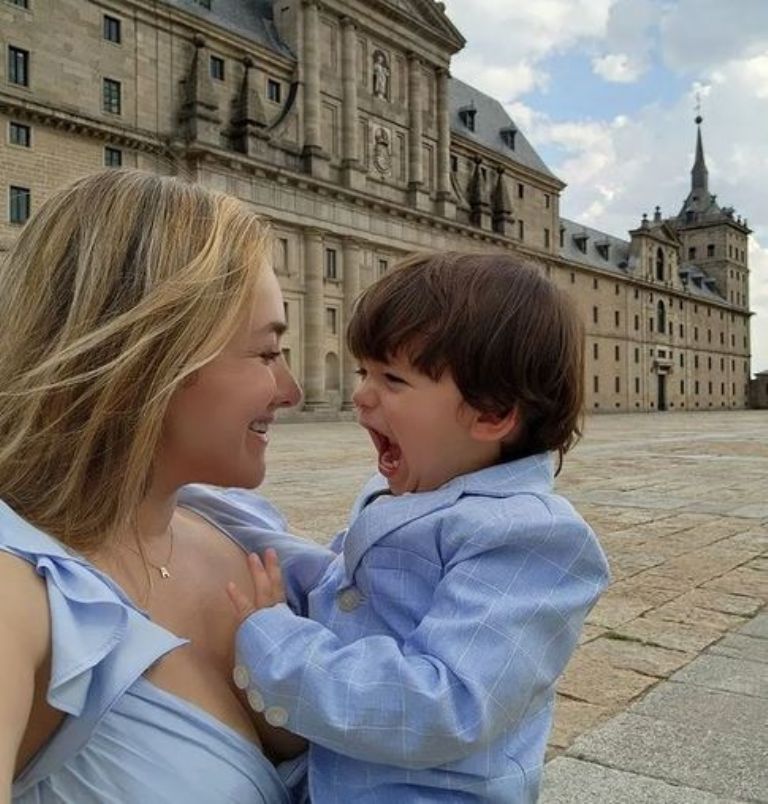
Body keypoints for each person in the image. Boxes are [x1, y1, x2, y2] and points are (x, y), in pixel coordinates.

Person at [213, 252, 611, 802]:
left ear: (491, 414)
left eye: (392, 380)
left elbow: (446, 706)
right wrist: (223, 517)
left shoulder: (531, 538)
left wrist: (279, 644)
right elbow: (339, 583)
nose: (360, 395)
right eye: (362, 372)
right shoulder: (409, 491)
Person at [0, 169, 333, 802]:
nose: (290, 391)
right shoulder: (15, 593)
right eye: (266, 353)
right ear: (151, 357)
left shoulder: (237, 526)